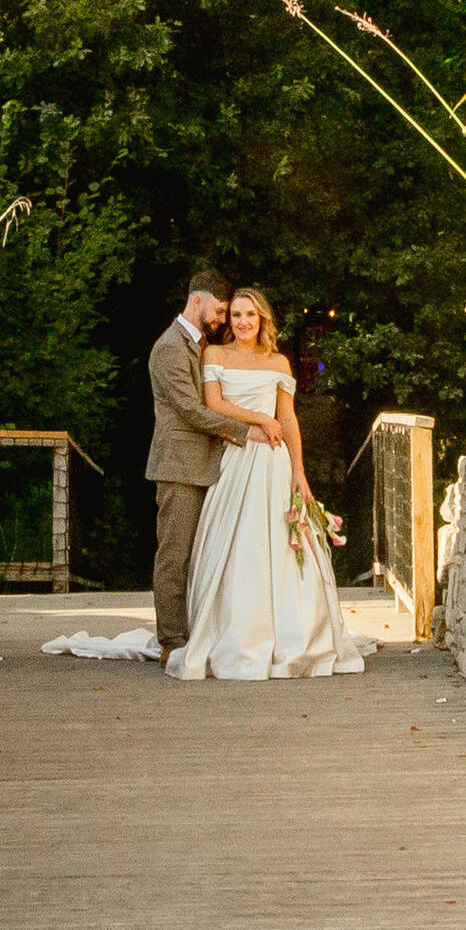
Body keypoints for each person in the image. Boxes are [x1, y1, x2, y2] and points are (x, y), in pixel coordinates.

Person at [163, 287, 363, 681]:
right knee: (237, 543)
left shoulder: (278, 363)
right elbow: (213, 404)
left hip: (274, 461)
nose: (242, 322)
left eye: (249, 315)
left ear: (262, 320)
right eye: (235, 315)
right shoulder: (215, 355)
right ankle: (233, 630)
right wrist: (258, 420)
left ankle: (287, 631)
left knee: (279, 544)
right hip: (237, 457)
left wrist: (299, 471)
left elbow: (287, 419)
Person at [145, 273, 265, 657]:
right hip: (180, 467)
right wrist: (247, 431)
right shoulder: (169, 348)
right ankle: (172, 642)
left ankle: (202, 632)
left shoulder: (199, 345)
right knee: (174, 557)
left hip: (209, 465)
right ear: (196, 301)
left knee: (206, 556)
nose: (220, 319)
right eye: (217, 311)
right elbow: (192, 412)